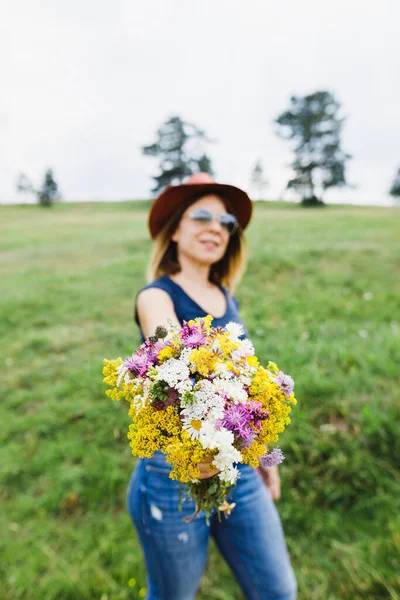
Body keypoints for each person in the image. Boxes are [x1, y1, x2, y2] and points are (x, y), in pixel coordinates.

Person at [127, 173, 297, 600]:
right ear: (175, 229)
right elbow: (172, 356)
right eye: (201, 215)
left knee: (278, 591)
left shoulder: (225, 294)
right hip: (173, 472)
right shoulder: (156, 296)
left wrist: (262, 454)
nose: (216, 227)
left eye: (226, 222)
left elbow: (245, 385)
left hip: (237, 465)